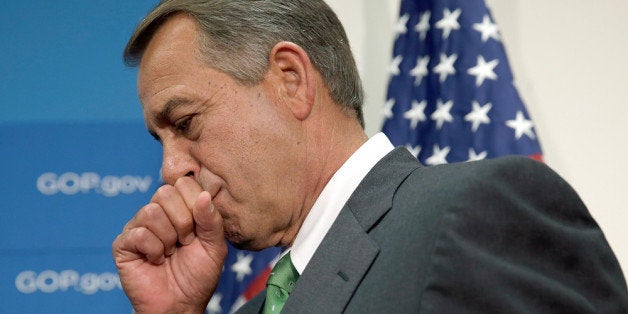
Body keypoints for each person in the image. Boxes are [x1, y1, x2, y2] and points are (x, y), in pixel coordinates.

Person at [112, 0, 628, 313]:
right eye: (162, 140)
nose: (170, 168)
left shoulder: (475, 215)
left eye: (185, 124)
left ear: (291, 81)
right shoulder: (254, 307)